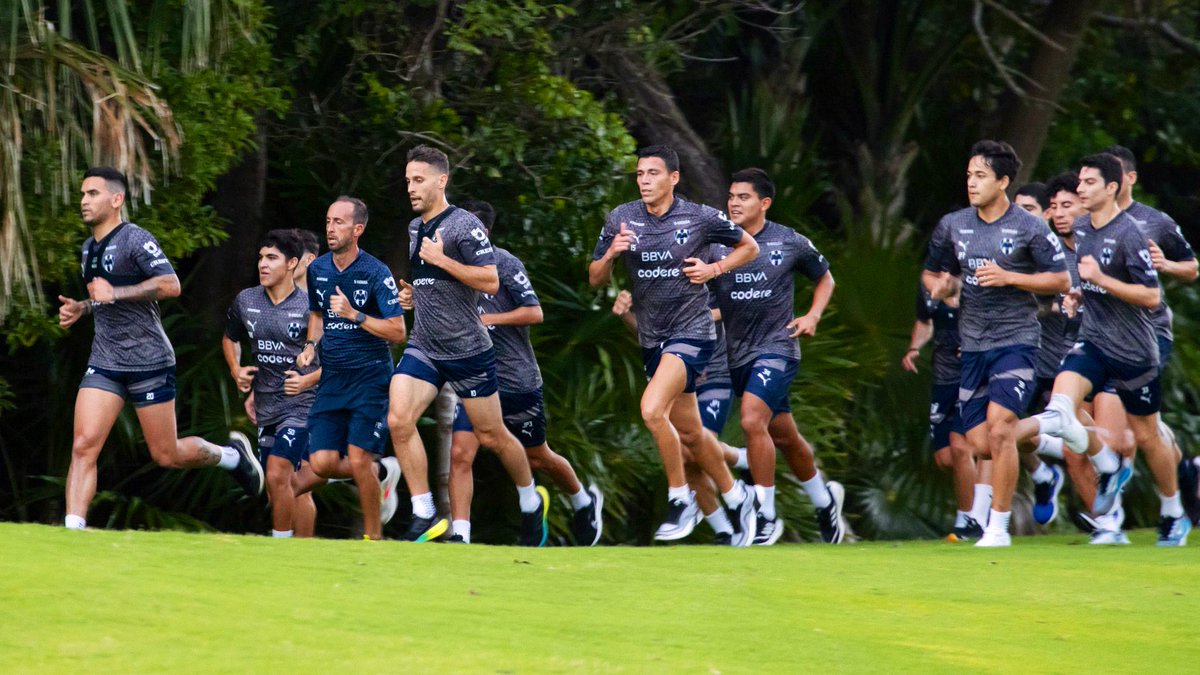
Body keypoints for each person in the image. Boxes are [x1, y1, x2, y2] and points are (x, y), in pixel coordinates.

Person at [57, 166, 263, 530]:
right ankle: (74, 529)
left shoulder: (136, 239)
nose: (83, 201)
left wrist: (116, 292)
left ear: (116, 199)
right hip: (105, 360)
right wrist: (83, 307)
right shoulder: (88, 248)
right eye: (83, 194)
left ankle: (231, 457)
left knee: (166, 455)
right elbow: (104, 299)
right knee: (84, 445)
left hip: (149, 360)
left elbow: (171, 284)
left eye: (92, 194)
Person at [1013, 153, 1189, 546]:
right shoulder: (1081, 229)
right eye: (1080, 183)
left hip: (1134, 350)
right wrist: (1078, 293)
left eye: (1089, 183)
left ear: (1112, 188)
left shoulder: (1129, 232)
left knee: (1146, 436)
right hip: (1091, 342)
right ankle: (1107, 467)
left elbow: (1149, 295)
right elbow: (1080, 279)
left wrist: (1100, 281)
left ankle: (1174, 510)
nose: (1080, 189)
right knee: (1061, 407)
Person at [589, 145, 760, 546]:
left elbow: (749, 246)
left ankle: (680, 498)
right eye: (639, 174)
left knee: (651, 410)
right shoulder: (621, 218)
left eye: (652, 173)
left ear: (673, 178)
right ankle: (738, 496)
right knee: (691, 432)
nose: (644, 181)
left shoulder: (699, 217)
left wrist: (714, 268)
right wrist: (611, 254)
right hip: (651, 336)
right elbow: (595, 277)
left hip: (693, 331)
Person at [390, 145, 548, 546]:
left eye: (419, 180)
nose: (411, 187)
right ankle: (424, 511)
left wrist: (443, 261)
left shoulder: (464, 225)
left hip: (467, 350)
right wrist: (412, 297)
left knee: (493, 435)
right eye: (408, 180)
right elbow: (433, 286)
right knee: (398, 419)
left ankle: (529, 500)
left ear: (442, 181)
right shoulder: (415, 228)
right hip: (425, 343)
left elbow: (490, 281)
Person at [923, 141, 1069, 547]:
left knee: (1002, 430)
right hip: (971, 345)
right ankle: (1049, 430)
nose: (971, 183)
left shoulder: (1030, 227)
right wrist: (944, 285)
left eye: (980, 175)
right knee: (979, 443)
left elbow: (1060, 280)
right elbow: (933, 274)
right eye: (969, 175)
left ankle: (998, 527)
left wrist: (1011, 277)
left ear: (1003, 181)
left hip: (1016, 340)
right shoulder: (953, 224)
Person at [445, 199, 603, 545]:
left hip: (517, 379)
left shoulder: (504, 263)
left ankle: (583, 500)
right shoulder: (450, 267)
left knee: (538, 456)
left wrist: (490, 320)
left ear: (482, 234)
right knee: (460, 454)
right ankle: (461, 536)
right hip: (476, 377)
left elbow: (534, 312)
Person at [712, 168, 845, 544]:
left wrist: (813, 315)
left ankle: (766, 516)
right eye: (732, 196)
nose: (734, 203)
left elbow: (826, 278)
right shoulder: (718, 245)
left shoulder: (790, 242)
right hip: (737, 356)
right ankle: (823, 499)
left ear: (764, 203)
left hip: (778, 348)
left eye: (744, 197)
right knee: (784, 436)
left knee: (753, 420)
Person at [293, 196, 405, 541]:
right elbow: (316, 315)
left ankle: (374, 539)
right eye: (328, 221)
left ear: (358, 229)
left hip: (370, 377)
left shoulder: (376, 272)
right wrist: (311, 346)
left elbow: (398, 331)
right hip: (333, 379)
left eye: (339, 222)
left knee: (358, 459)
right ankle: (382, 474)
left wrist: (355, 315)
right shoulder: (317, 270)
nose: (330, 228)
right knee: (323, 463)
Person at [223, 230, 322, 538]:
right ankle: (295, 550)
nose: (262, 265)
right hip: (267, 406)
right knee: (279, 485)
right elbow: (230, 338)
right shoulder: (246, 300)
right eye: (261, 258)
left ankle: (279, 547)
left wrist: (306, 382)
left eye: (271, 258)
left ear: (292, 263)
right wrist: (236, 369)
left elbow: (335, 360)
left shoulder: (312, 307)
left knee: (280, 471)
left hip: (303, 405)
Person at [902, 282, 986, 540]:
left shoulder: (978, 279)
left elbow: (1001, 322)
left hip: (975, 377)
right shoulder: (929, 284)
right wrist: (915, 348)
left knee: (962, 448)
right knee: (946, 458)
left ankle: (969, 520)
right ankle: (1033, 454)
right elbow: (925, 321)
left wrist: (976, 343)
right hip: (943, 379)